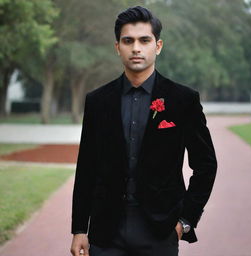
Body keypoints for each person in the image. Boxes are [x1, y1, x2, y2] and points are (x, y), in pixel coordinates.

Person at [70, 6, 217, 256]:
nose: (136, 48)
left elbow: (206, 165)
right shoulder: (98, 101)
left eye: (144, 40)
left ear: (157, 46)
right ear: (118, 47)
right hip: (106, 231)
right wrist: (79, 229)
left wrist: (185, 222)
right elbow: (87, 167)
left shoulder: (183, 100)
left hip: (160, 231)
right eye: (128, 41)